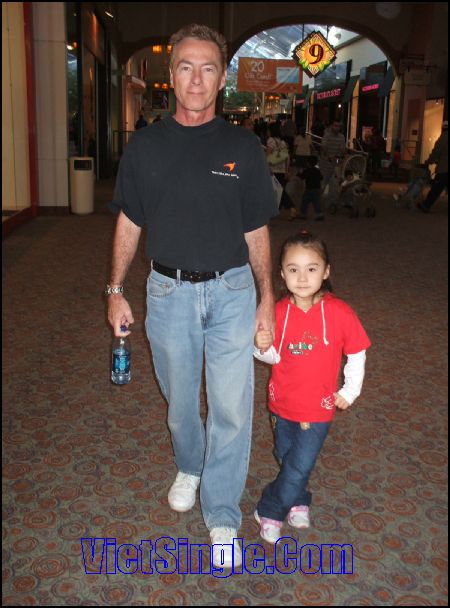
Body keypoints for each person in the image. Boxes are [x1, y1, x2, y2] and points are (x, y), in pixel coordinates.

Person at [106, 23, 278, 569]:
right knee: (181, 407)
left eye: (208, 68)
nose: (197, 79)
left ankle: (222, 513)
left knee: (231, 408)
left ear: (223, 78)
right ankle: (190, 464)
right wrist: (115, 290)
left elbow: (256, 228)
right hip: (168, 293)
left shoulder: (243, 147)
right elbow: (130, 221)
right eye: (186, 67)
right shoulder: (145, 146)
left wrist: (267, 298)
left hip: (231, 291)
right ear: (171, 76)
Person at [252, 230, 371, 543]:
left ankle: (270, 509)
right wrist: (260, 345)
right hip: (281, 403)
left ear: (326, 271)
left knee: (301, 462)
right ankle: (299, 499)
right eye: (293, 269)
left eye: (311, 268)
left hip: (318, 408)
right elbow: (272, 356)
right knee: (286, 457)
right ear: (282, 274)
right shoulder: (277, 312)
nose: (302, 278)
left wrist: (350, 390)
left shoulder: (340, 312)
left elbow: (357, 351)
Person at [266, 123, 297, 218]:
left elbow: (268, 156)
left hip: (273, 170)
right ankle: (276, 210)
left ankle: (291, 207)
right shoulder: (283, 142)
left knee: (279, 191)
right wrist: (287, 170)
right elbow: (287, 157)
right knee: (279, 190)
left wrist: (267, 168)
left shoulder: (270, 140)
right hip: (282, 170)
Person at [418, 120, 448, 213]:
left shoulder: (444, 137)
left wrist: (428, 162)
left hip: (444, 169)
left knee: (436, 189)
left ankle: (426, 205)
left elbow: (436, 151)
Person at [319, 120, 347, 205]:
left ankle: (332, 202)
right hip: (325, 163)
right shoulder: (327, 136)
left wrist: (345, 155)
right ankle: (317, 200)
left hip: (336, 162)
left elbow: (342, 148)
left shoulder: (341, 137)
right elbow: (324, 147)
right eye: (335, 126)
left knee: (335, 183)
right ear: (331, 126)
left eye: (338, 126)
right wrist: (328, 155)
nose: (337, 128)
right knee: (323, 182)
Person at [298, 156, 324, 221]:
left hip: (309, 189)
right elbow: (321, 178)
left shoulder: (307, 170)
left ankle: (303, 214)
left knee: (305, 201)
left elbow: (302, 177)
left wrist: (299, 172)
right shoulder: (317, 170)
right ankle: (319, 214)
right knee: (317, 202)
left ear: (308, 163)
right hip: (317, 188)